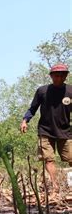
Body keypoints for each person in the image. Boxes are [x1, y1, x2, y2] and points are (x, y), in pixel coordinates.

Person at [20, 63, 71, 193]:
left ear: (66, 76)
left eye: (62, 75)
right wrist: (25, 120)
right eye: (56, 75)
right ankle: (55, 186)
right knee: (49, 159)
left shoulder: (70, 91)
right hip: (45, 131)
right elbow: (33, 108)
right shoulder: (42, 91)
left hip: (65, 131)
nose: (59, 77)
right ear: (51, 76)